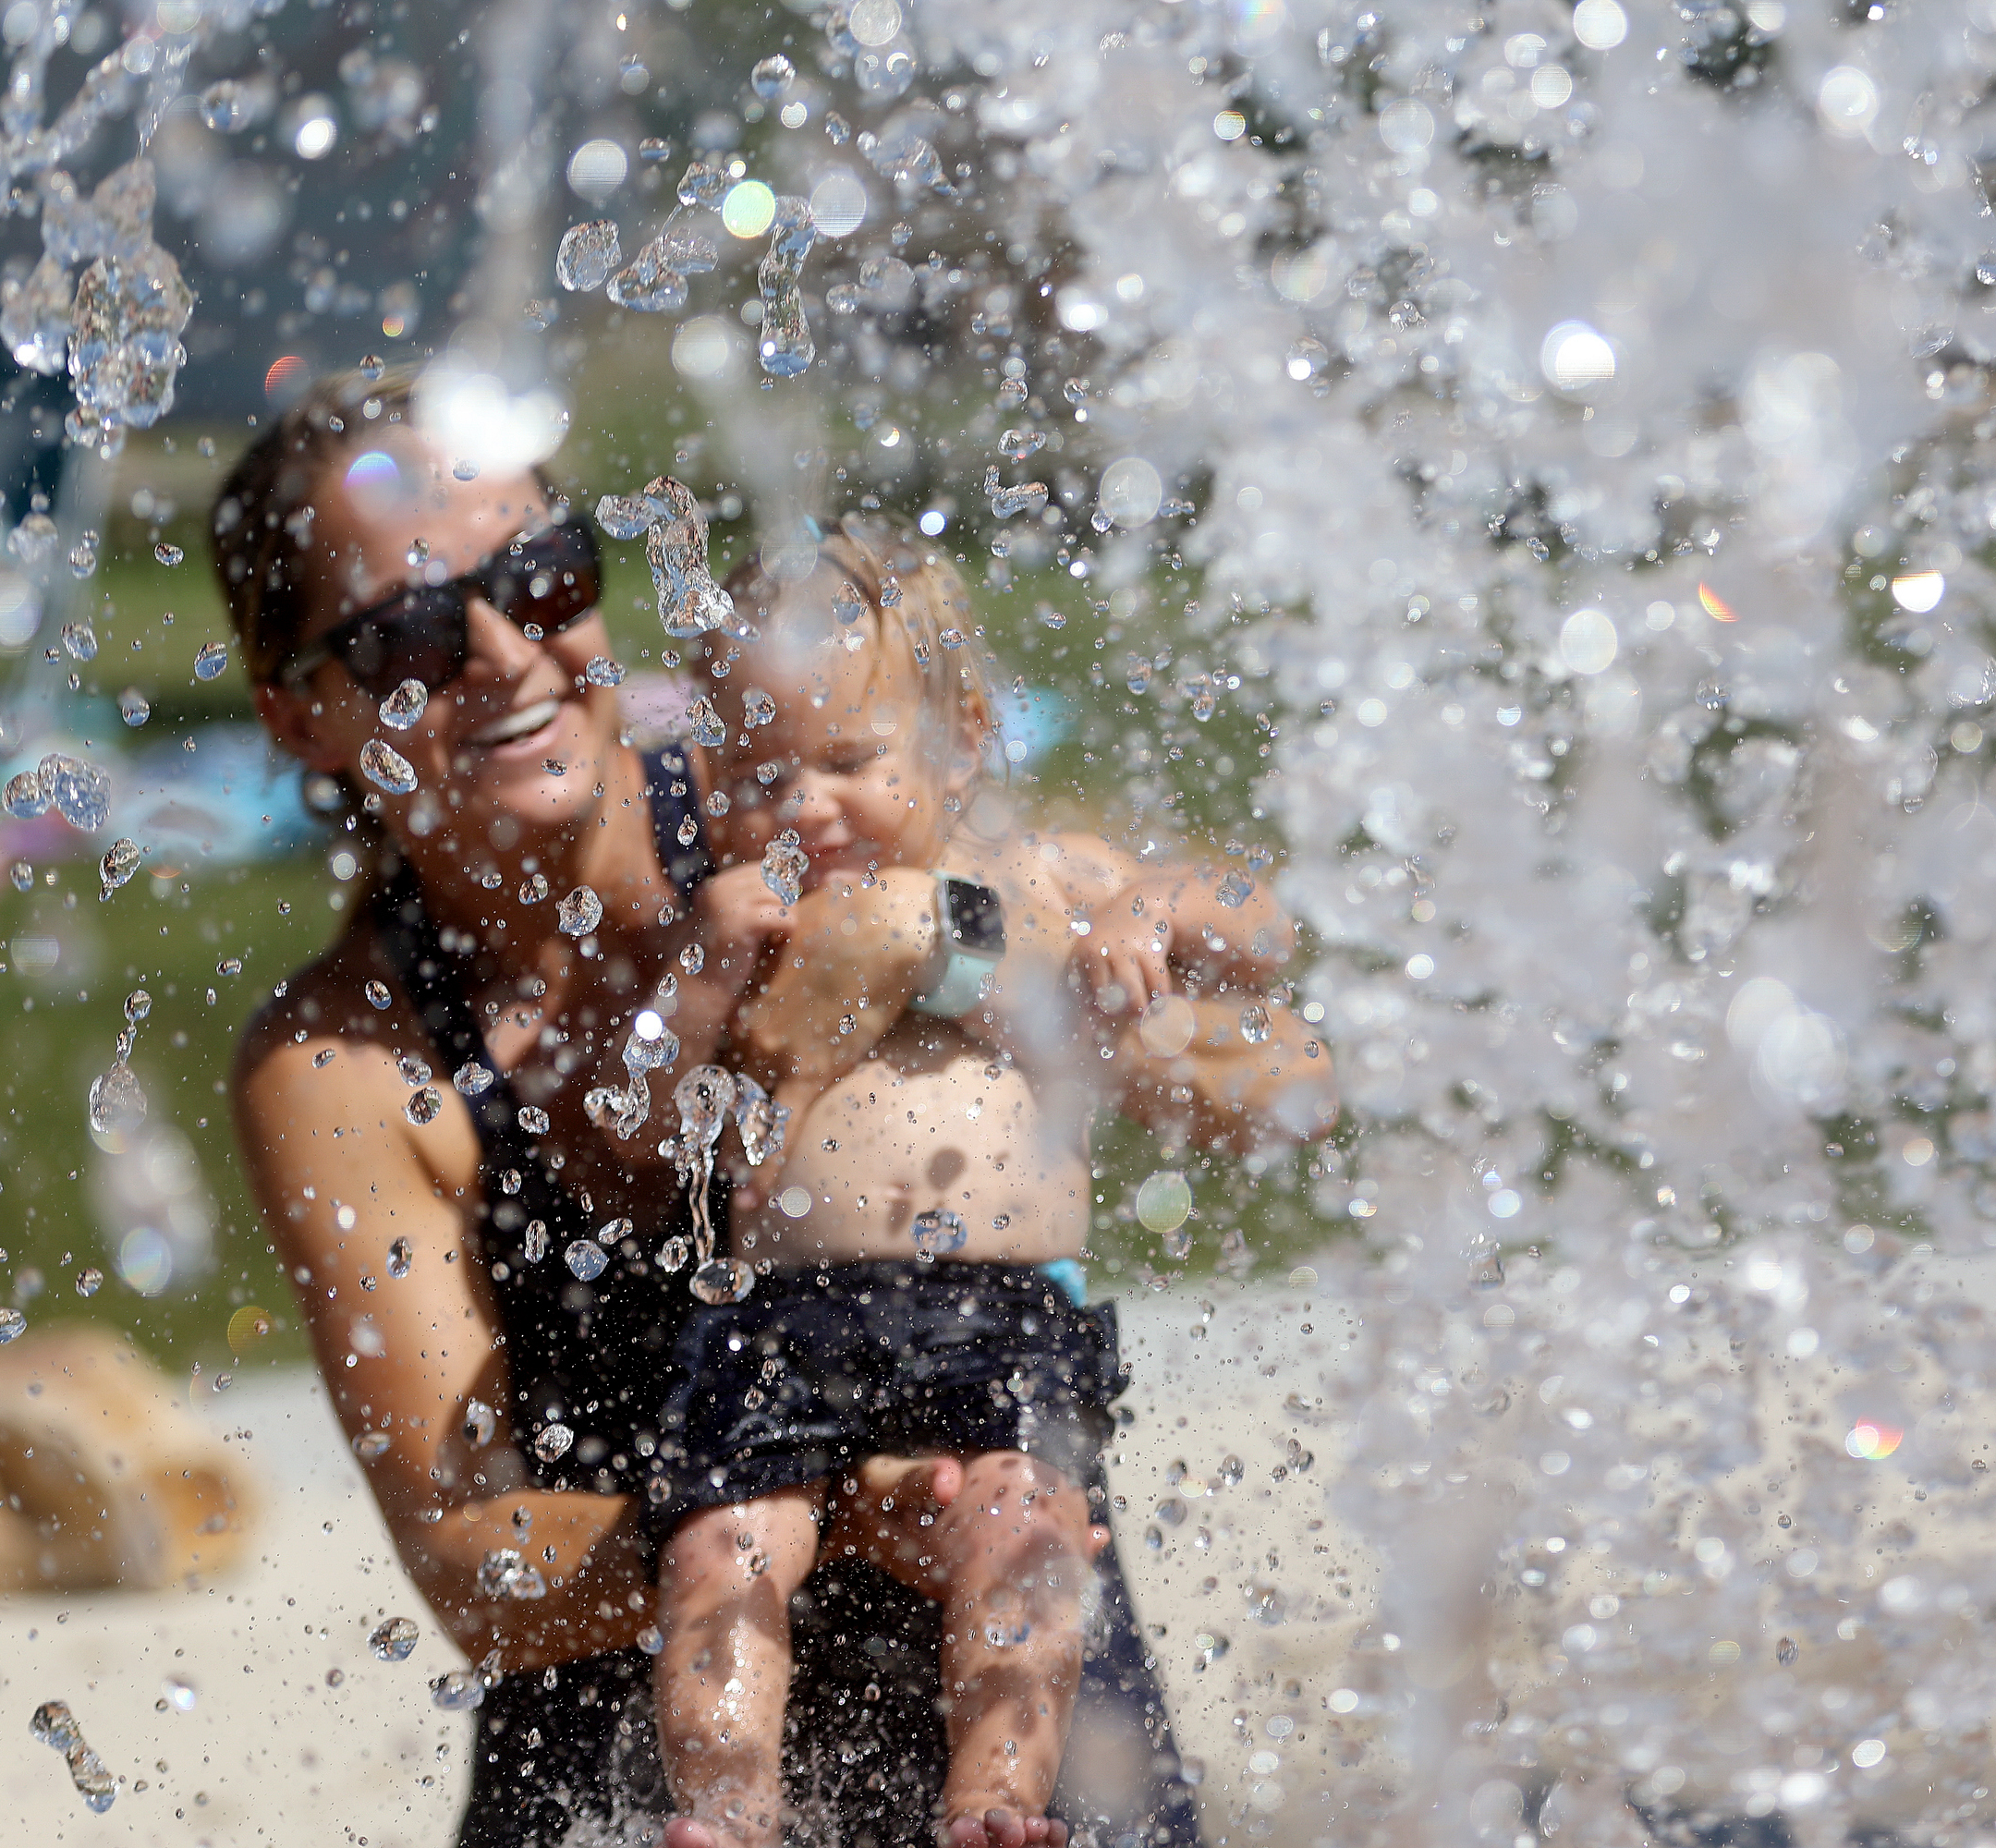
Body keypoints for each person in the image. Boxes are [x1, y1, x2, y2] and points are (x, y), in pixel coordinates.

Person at [213, 364, 1298, 1848]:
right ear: (300, 720)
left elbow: (1270, 1066)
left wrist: (947, 942)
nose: (503, 655)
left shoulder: (808, 793)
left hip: (1023, 1735)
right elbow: (476, 1571)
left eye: (542, 578)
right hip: (648, 1777)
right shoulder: (346, 1063)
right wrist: (840, 1496)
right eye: (406, 632)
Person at [602, 520, 1332, 1848]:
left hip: (1003, 1311)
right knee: (721, 1557)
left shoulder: (1039, 876)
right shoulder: (736, 914)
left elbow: (1265, 922)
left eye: (849, 762)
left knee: (1028, 1538)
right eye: (758, 774)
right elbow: (650, 1130)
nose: (803, 808)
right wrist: (705, 977)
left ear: (964, 735)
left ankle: (995, 1803)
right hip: (782, 1316)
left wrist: (1149, 916)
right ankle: (725, 1808)